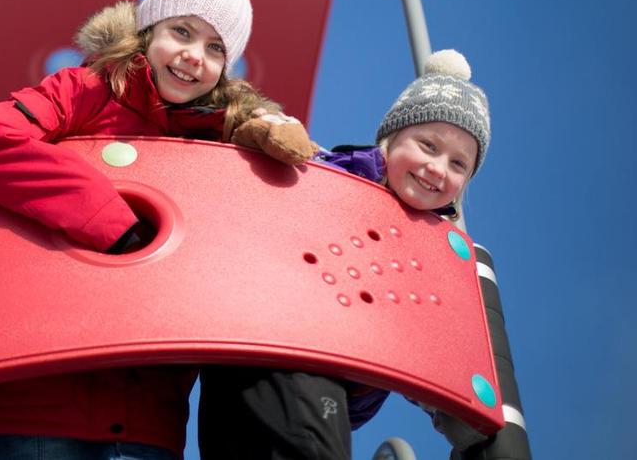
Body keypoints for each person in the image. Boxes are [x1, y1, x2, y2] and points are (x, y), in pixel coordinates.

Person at [0, 0, 315, 460]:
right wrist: (110, 219)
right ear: (149, 31)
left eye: (216, 48)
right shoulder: (87, 89)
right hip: (34, 394)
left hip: (145, 417)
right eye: (181, 31)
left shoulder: (217, 145)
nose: (194, 56)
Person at [198, 49, 492, 459]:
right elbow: (278, 180)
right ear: (390, 142)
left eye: (458, 164)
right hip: (278, 350)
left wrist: (464, 419)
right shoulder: (337, 177)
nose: (438, 168)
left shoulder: (431, 255)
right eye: (427, 145)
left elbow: (430, 347)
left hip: (333, 385)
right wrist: (267, 130)